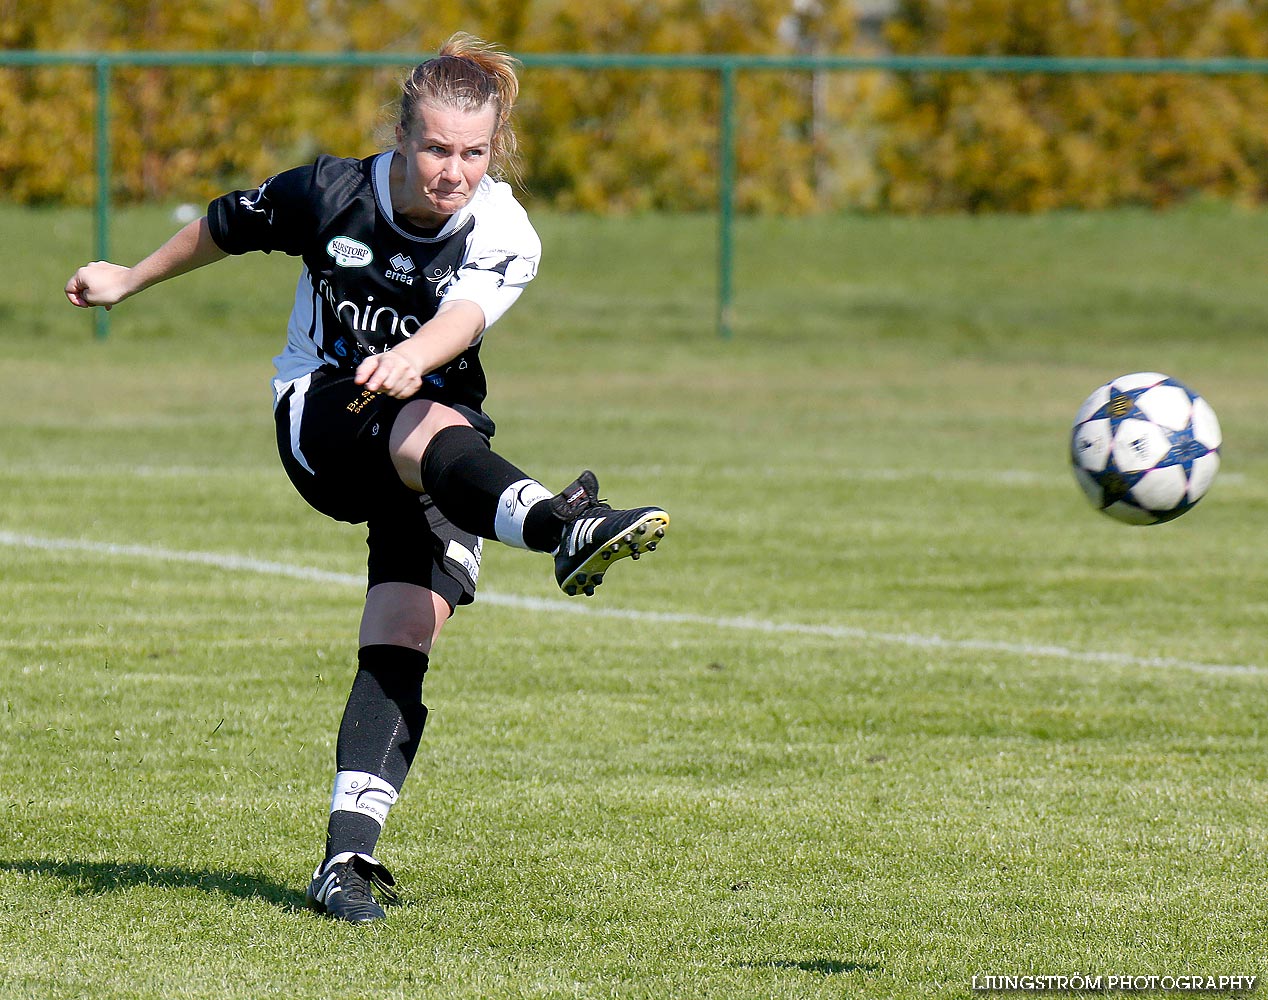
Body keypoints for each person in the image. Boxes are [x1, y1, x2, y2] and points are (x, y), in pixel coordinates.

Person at [64, 33, 669, 924]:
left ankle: (345, 862)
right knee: (420, 421)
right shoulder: (331, 192)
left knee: (402, 635)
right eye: (434, 149)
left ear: (493, 151)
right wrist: (128, 277)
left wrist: (414, 356)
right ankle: (563, 527)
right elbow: (224, 227)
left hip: (438, 449)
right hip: (324, 417)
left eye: (472, 152)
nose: (451, 171)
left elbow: (462, 317)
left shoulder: (504, 227)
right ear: (401, 138)